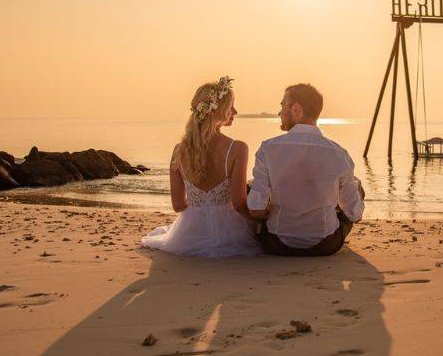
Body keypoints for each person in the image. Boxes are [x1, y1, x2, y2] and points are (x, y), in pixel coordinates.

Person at [142, 76, 261, 257]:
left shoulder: (179, 150)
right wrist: (259, 222)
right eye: (231, 106)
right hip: (230, 234)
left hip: (188, 235)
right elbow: (238, 204)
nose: (235, 111)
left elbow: (178, 205)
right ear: (218, 110)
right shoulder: (237, 148)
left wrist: (201, 211)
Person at [247, 83, 365, 256]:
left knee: (251, 188)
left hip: (278, 244)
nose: (279, 112)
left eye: (282, 105)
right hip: (324, 245)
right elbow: (355, 215)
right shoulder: (339, 153)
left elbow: (256, 209)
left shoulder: (268, 149)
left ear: (296, 109)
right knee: (355, 186)